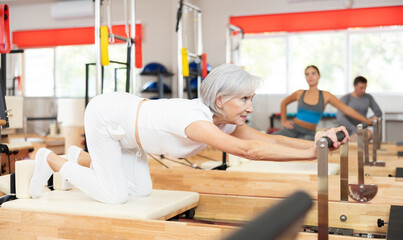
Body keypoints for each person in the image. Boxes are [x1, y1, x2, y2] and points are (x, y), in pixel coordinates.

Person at [29, 64, 349, 205]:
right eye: (245, 99)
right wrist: (312, 153)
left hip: (130, 132)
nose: (250, 107)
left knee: (139, 192)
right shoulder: (197, 121)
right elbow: (250, 150)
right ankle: (52, 159)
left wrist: (319, 137)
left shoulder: (222, 118)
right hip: (107, 117)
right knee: (115, 197)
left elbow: (270, 139)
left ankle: (78, 158)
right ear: (222, 100)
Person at [272, 65, 376, 141]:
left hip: (310, 133)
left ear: (319, 76)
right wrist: (284, 121)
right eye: (307, 74)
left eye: (313, 73)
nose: (310, 76)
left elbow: (346, 109)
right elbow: (283, 103)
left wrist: (366, 120)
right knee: (271, 139)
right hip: (293, 128)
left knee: (304, 148)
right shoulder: (299, 93)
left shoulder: (326, 96)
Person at [336, 76, 382, 140]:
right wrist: (355, 129)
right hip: (347, 129)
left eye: (365, 88)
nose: (364, 90)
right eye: (361, 88)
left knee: (369, 134)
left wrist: (370, 119)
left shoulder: (368, 97)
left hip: (361, 128)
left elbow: (378, 112)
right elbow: (340, 118)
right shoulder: (345, 98)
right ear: (354, 86)